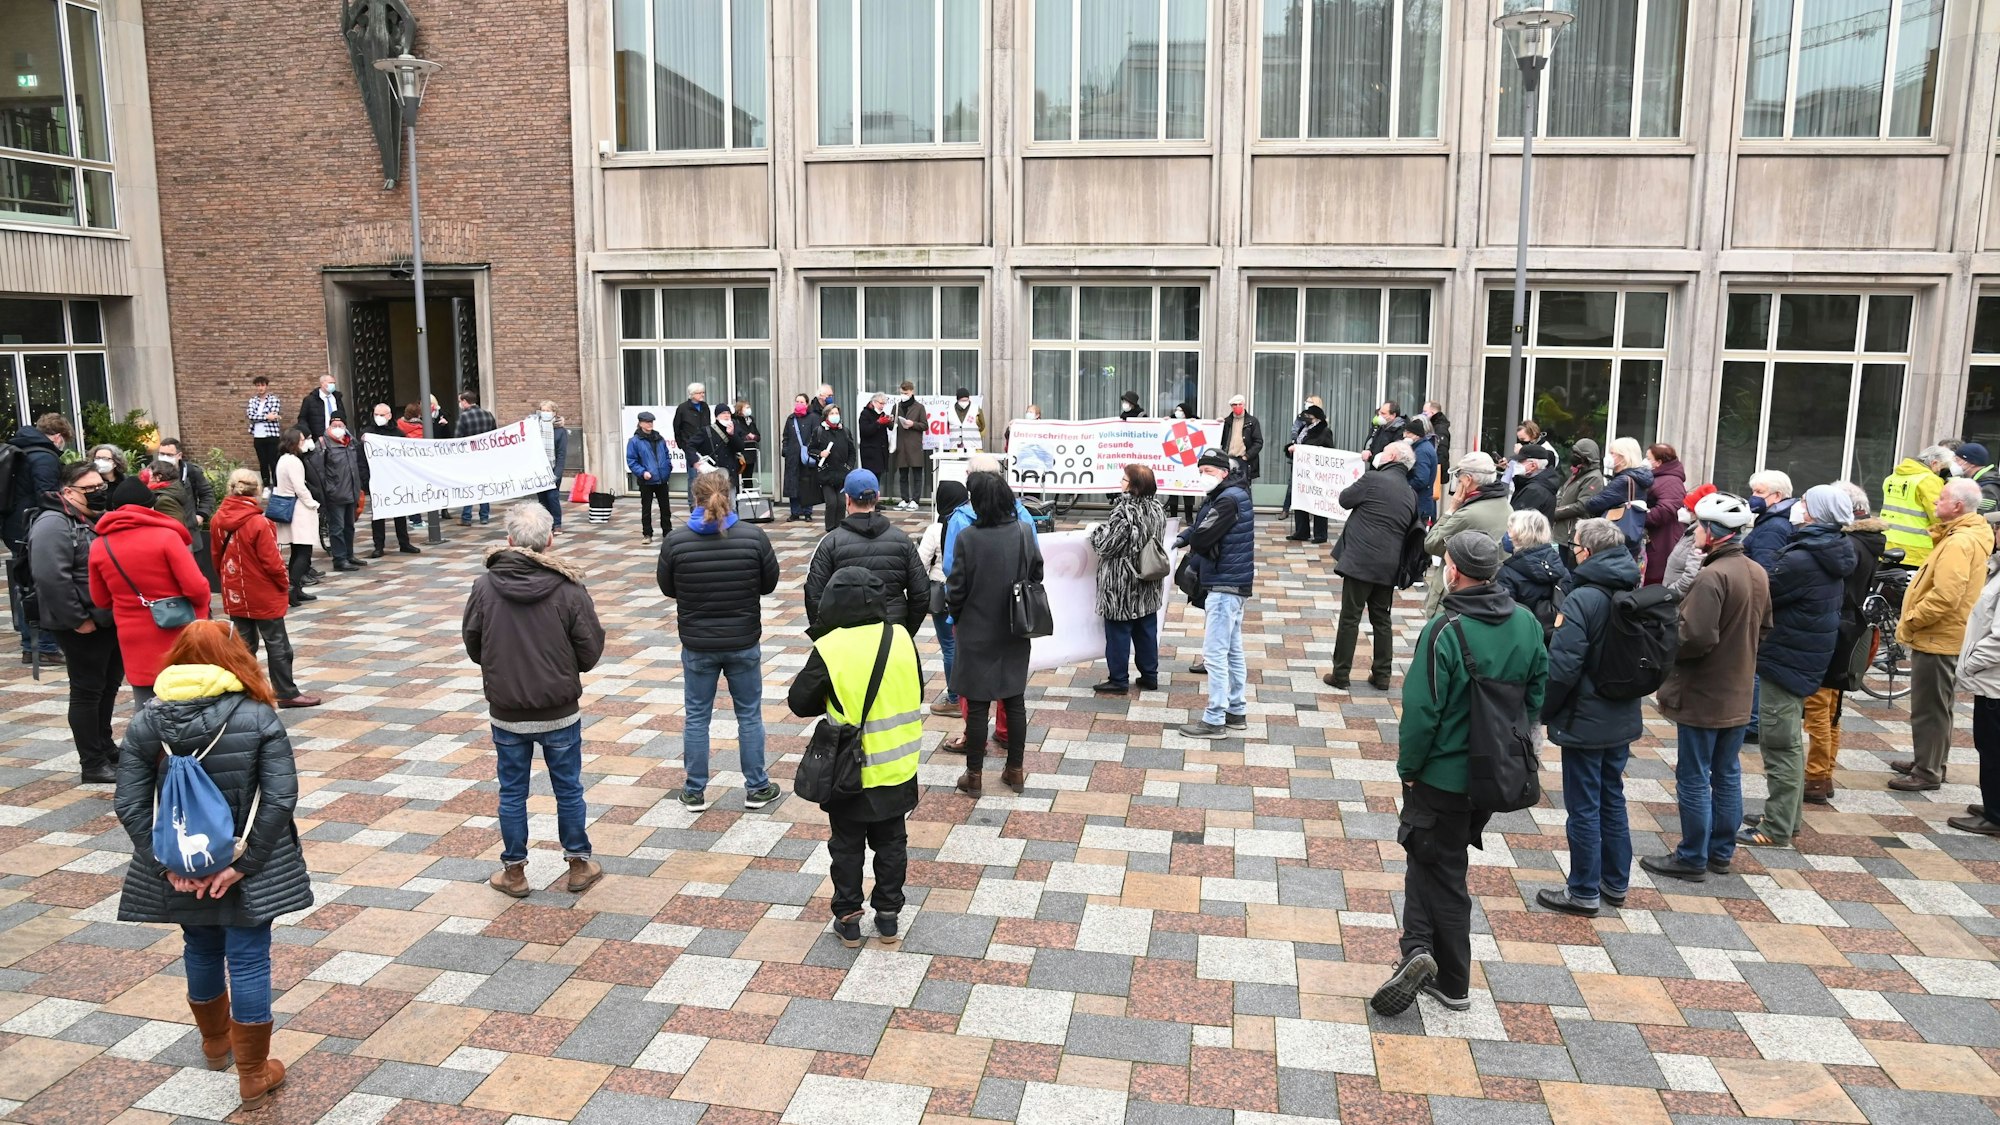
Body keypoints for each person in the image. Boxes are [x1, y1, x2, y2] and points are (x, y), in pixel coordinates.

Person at [112, 620, 310, 1111]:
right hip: (244, 864)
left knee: (199, 945)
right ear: (234, 659)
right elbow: (281, 797)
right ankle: (253, 1072)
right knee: (247, 955)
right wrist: (246, 863)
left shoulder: (146, 720)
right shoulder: (258, 716)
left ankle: (215, 1045)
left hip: (181, 861)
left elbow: (129, 802)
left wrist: (166, 866)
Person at [1372, 532, 1546, 1015]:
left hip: (1442, 775)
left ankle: (1447, 976)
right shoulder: (1527, 623)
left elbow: (1422, 711)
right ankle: (1417, 950)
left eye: (1445, 562)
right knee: (1432, 858)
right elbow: (1536, 694)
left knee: (1440, 867)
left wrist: (1409, 769)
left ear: (1455, 571)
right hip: (1494, 776)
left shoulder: (1445, 628)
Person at [463, 503, 608, 896]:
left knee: (512, 791)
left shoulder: (484, 586)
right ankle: (578, 864)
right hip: (559, 709)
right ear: (549, 540)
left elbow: (474, 645)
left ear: (509, 541)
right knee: (568, 788)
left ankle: (514, 872)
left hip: (507, 709)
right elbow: (590, 651)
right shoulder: (569, 589)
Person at [789, 566, 923, 946]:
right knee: (892, 841)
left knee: (846, 844)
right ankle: (889, 916)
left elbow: (800, 703)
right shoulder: (899, 637)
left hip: (848, 768)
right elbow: (918, 687)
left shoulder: (830, 647)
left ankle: (848, 917)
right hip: (898, 764)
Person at [1640, 492, 1769, 883]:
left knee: (1695, 775)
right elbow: (1763, 629)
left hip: (1704, 693)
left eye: (1697, 525)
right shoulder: (1755, 571)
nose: (1693, 530)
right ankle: (1720, 852)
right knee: (1726, 773)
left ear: (1712, 531)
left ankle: (1692, 856)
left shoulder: (1712, 576)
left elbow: (1693, 637)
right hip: (1738, 689)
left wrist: (1663, 639)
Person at [1737, 485, 1855, 849]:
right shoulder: (1828, 549)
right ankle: (1786, 815)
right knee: (1784, 741)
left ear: (1817, 512)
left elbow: (1763, 593)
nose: (1798, 507)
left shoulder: (1804, 558)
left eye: (1804, 503)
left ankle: (1776, 828)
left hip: (1788, 657)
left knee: (1780, 743)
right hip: (1803, 654)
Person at [657, 471, 782, 811]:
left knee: (697, 716)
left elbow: (668, 588)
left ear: (694, 499)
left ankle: (694, 790)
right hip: (743, 639)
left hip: (698, 642)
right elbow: (768, 584)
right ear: (730, 495)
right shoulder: (753, 537)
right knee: (749, 715)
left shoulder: (676, 541)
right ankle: (757, 787)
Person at [1537, 518, 1643, 916]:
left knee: (1583, 806)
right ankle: (1615, 883)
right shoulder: (1629, 585)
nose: (1573, 550)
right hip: (1621, 712)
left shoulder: (1583, 598)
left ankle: (1582, 890)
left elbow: (1562, 666)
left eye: (1577, 545)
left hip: (1585, 716)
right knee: (1612, 798)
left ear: (1590, 551)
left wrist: (1543, 710)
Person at [1889, 478, 1993, 791]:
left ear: (1958, 506)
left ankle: (1928, 770)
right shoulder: (1967, 533)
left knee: (1929, 708)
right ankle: (1930, 760)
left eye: (1941, 499)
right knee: (1938, 705)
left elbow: (1946, 595)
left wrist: (1912, 620)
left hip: (1939, 636)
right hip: (1946, 634)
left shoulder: (1960, 542)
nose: (1935, 503)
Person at [947, 473, 1042, 794]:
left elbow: (955, 589)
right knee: (1014, 700)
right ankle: (1014, 770)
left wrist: (959, 615)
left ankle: (973, 777)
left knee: (976, 705)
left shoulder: (968, 538)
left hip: (976, 628)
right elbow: (1037, 572)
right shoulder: (1024, 531)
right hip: (1016, 627)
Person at [27, 462, 119, 781]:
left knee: (107, 687)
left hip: (106, 620)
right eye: (90, 489)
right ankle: (92, 763)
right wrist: (78, 619)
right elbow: (51, 579)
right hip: (81, 624)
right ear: (68, 492)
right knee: (87, 691)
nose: (98, 493)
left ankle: (105, 747)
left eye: (100, 487)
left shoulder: (89, 518)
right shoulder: (53, 523)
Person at [1801, 483, 1884, 805]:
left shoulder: (1848, 545)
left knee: (1820, 707)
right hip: (1846, 629)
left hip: (1835, 631)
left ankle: (1818, 775)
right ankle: (1822, 773)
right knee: (1830, 707)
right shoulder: (1862, 542)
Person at [212, 469, 318, 709]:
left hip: (235, 590)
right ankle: (286, 692)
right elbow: (273, 563)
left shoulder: (218, 518)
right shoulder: (260, 522)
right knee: (277, 644)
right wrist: (285, 585)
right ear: (257, 491)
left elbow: (216, 556)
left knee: (242, 647)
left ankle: (246, 693)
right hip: (262, 592)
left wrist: (226, 582)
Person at [1176, 448, 1255, 738]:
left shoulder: (1227, 500)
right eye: (1200, 471)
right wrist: (1186, 536)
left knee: (1214, 654)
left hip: (1224, 584)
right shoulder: (1230, 494)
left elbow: (1204, 535)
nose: (1202, 477)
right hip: (1233, 582)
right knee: (1232, 650)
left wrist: (1192, 538)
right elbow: (1200, 528)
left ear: (1223, 472)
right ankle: (1236, 710)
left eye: (1208, 471)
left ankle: (1214, 718)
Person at [1327, 441, 1418, 690]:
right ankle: (1382, 676)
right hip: (1389, 565)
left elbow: (1345, 499)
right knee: (1382, 619)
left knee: (1350, 618)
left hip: (1360, 561)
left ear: (1391, 456)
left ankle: (1341, 674)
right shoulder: (1410, 492)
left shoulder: (1373, 479)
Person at [806, 469, 928, 634]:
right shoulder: (902, 540)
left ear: (847, 499)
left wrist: (828, 637)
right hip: (892, 634)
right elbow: (921, 593)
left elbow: (814, 596)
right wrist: (905, 632)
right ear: (877, 497)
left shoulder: (831, 542)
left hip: (846, 636)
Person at [1089, 463, 1167, 694]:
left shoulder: (1125, 512)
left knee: (1118, 632)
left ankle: (1119, 679)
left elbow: (1106, 546)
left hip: (1122, 583)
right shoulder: (1157, 508)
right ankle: (1149, 675)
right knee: (1146, 630)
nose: (1121, 482)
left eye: (1124, 479)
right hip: (1149, 578)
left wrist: (1095, 532)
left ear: (1133, 486)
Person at [7, 412, 70, 664]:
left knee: (25, 585)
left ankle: (32, 644)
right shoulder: (44, 456)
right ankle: (42, 646)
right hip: (32, 529)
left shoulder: (22, 450)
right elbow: (47, 496)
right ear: (57, 436)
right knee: (39, 586)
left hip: (16, 527)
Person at [1421, 452, 1511, 617]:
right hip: (1486, 591)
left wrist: (1451, 509)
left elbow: (1431, 543)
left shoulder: (1469, 513)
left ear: (1468, 480)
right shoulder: (1506, 507)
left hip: (1455, 593)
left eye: (1459, 477)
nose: (1458, 482)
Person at [1950, 541, 2000, 835]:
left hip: (1994, 681)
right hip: (1991, 679)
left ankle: (1995, 815)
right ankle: (1993, 803)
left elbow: (1998, 640)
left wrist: (1969, 664)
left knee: (1993, 748)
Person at [1556, 437, 1652, 560]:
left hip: (1615, 535)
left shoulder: (1622, 481)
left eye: (1612, 453)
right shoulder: (1636, 479)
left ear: (1624, 457)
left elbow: (1592, 504)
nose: (1608, 457)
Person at [919, 480, 969, 715]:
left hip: (944, 593)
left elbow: (920, 563)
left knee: (950, 647)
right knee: (969, 645)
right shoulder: (973, 523)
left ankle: (954, 699)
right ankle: (973, 695)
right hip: (972, 592)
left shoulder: (935, 530)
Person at [1497, 508, 1570, 638]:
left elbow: (1503, 618)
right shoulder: (1561, 568)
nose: (1507, 534)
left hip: (1525, 638)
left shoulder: (1507, 574)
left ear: (1520, 535)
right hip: (1555, 638)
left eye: (1510, 529)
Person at [309, 413, 367, 573]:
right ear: (329, 426)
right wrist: (327, 490)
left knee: (350, 526)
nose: (337, 429)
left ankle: (349, 555)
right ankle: (339, 559)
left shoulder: (351, 442)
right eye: (334, 425)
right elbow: (317, 471)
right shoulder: (322, 444)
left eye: (340, 425)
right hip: (335, 494)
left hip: (351, 491)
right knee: (337, 528)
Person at [1881, 445, 1952, 566]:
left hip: (1887, 544)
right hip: (1916, 550)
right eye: (1944, 468)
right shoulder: (1929, 480)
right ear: (1934, 463)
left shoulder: (1892, 478)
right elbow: (1939, 515)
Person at [363, 405, 419, 557]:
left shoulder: (397, 434)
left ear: (389, 416)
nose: (378, 417)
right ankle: (378, 546)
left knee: (400, 512)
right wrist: (365, 479)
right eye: (376, 414)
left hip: (395, 478)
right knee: (378, 515)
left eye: (382, 414)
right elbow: (361, 458)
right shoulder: (368, 434)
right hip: (376, 479)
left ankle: (404, 542)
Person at [272, 430, 320, 607]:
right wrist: (313, 503)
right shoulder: (293, 461)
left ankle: (296, 589)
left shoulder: (282, 460)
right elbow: (300, 487)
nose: (304, 443)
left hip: (290, 507)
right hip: (299, 509)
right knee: (304, 552)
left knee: (297, 550)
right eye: (301, 440)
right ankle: (292, 587)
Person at [1284, 405, 1334, 543]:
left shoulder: (1324, 431)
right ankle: (1302, 531)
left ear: (1316, 418)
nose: (1306, 418)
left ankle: (1320, 534)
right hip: (1302, 471)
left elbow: (1326, 452)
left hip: (1317, 473)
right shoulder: (1303, 429)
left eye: (1309, 416)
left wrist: (1301, 449)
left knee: (1318, 502)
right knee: (1300, 499)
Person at [809, 402, 859, 532]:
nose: (835, 416)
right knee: (831, 503)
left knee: (842, 503)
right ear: (826, 415)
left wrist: (848, 467)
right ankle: (830, 529)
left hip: (842, 475)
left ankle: (840, 529)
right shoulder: (819, 431)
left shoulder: (845, 431)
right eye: (832, 413)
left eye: (837, 413)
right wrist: (820, 453)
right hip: (826, 474)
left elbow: (852, 452)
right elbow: (810, 450)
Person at [1643, 443, 1688, 585]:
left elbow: (1666, 510)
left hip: (1662, 542)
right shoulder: (1661, 478)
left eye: (1648, 458)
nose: (1645, 461)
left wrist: (1639, 516)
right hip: (1658, 541)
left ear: (1659, 462)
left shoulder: (1671, 481)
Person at [626, 411, 675, 543]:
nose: (650, 424)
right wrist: (642, 472)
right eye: (647, 422)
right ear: (641, 423)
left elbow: (666, 454)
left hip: (662, 479)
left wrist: (668, 468)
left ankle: (667, 532)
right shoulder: (635, 441)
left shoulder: (659, 438)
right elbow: (632, 461)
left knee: (665, 508)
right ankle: (647, 534)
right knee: (646, 508)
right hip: (646, 480)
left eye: (651, 422)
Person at [1662, 482, 1718, 596]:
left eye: (1688, 508)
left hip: (1677, 600)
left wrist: (1669, 594)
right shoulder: (1690, 530)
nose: (1683, 510)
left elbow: (1691, 576)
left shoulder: (1699, 536)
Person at [1550, 438, 1604, 550]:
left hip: (1574, 536)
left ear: (1586, 458)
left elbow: (1582, 506)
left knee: (1570, 567)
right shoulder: (1578, 473)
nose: (1573, 456)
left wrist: (1555, 512)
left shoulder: (1593, 477)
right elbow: (1562, 492)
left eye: (1577, 454)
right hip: (1564, 534)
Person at [453, 393, 498, 525]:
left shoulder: (464, 417)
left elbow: (458, 438)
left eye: (460, 401)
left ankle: (466, 517)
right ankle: (484, 516)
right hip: (485, 456)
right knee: (484, 485)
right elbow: (494, 435)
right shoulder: (488, 415)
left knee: (469, 485)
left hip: (470, 457)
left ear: (465, 401)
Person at [1743, 469, 1798, 570]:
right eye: (1753, 492)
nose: (1753, 496)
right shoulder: (1784, 518)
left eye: (1759, 492)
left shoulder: (1773, 528)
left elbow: (1765, 571)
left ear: (1777, 496)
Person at [891, 382, 928, 510]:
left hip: (914, 446)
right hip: (901, 445)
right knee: (903, 475)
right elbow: (892, 425)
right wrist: (889, 422)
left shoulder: (919, 407)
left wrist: (913, 424)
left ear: (912, 392)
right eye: (902, 393)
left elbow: (925, 425)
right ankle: (904, 499)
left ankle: (915, 500)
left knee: (917, 475)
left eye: (906, 393)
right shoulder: (896, 406)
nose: (904, 395)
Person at [784, 394, 819, 522]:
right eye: (797, 401)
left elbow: (817, 436)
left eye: (801, 401)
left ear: (807, 403)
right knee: (792, 485)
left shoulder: (813, 418)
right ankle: (795, 512)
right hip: (792, 458)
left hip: (806, 457)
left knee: (807, 485)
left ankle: (807, 512)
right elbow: (786, 436)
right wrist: (786, 450)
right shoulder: (791, 419)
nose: (799, 403)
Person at [535, 400, 569, 530]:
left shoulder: (560, 431)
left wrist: (557, 473)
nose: (544, 414)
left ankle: (557, 523)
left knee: (552, 496)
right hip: (539, 469)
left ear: (554, 413)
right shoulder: (535, 428)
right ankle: (546, 523)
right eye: (542, 411)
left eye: (547, 411)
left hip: (553, 468)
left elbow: (561, 454)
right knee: (542, 498)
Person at [1165, 401, 1200, 523]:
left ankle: (1189, 517)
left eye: (1180, 410)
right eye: (1177, 410)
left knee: (1189, 490)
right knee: (1173, 490)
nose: (1177, 412)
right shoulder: (1172, 421)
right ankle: (1173, 516)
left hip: (1188, 460)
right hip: (1175, 461)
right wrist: (1166, 421)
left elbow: (1203, 431)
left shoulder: (1195, 422)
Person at [247, 376, 284, 487]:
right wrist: (266, 416)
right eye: (258, 385)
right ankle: (266, 485)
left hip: (271, 435)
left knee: (274, 462)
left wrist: (261, 416)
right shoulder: (252, 400)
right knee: (263, 463)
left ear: (266, 386)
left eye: (262, 385)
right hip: (258, 436)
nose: (260, 388)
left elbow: (274, 415)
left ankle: (277, 486)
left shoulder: (274, 399)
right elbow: (250, 416)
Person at [1509, 445, 1561, 524]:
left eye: (1520, 461)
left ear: (1533, 465)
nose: (1516, 464)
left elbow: (1517, 521)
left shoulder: (1534, 490)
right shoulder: (1543, 483)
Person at [1219, 394, 1263, 486]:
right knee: (1227, 486)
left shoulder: (1252, 421)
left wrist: (1247, 456)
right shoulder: (1226, 422)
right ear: (1231, 407)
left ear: (1244, 405)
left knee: (1244, 487)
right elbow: (1219, 439)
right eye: (1235, 405)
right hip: (1228, 459)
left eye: (1240, 404)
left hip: (1244, 460)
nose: (1238, 407)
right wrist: (1217, 424)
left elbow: (1258, 442)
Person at [1403, 416, 1438, 526]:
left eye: (1408, 433)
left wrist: (1404, 486)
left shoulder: (1422, 451)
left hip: (1420, 504)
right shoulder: (1422, 447)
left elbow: (1421, 479)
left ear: (1416, 435)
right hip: (1421, 503)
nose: (1404, 435)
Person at [1955, 442, 2000, 527]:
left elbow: (1982, 518)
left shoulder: (1987, 488)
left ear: (1971, 462)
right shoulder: (1976, 482)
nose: (1954, 463)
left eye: (1957, 459)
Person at [858, 393, 894, 484]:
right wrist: (878, 423)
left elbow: (890, 428)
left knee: (878, 477)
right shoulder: (865, 414)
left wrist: (889, 422)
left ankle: (875, 496)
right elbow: (865, 431)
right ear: (873, 402)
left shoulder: (882, 414)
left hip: (881, 452)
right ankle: (870, 497)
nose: (882, 406)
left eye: (884, 404)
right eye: (881, 403)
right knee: (870, 478)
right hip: (870, 452)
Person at [295, 373, 344, 439]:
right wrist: (308, 434)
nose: (333, 385)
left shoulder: (337, 398)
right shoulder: (310, 400)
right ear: (322, 383)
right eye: (330, 383)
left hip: (337, 436)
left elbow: (343, 416)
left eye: (334, 383)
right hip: (318, 437)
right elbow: (302, 418)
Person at [732, 397, 761, 482]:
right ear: (740, 409)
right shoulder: (735, 421)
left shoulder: (751, 421)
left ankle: (749, 494)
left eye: (749, 407)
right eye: (746, 407)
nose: (749, 409)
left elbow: (758, 436)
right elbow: (736, 436)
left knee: (749, 477)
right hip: (741, 454)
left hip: (751, 453)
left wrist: (754, 437)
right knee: (740, 477)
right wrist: (746, 437)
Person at [1422, 401, 1453, 475]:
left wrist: (1437, 471)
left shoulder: (1439, 428)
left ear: (1432, 413)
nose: (1423, 414)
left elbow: (1441, 452)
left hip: (1436, 471)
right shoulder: (1432, 426)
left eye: (1425, 411)